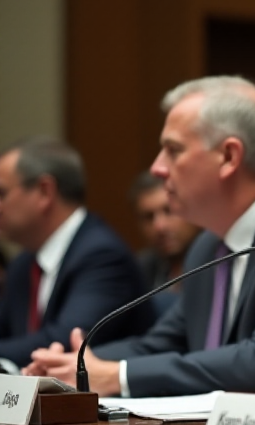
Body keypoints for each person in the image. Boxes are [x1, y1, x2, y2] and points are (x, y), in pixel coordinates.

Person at [23, 76, 255, 397]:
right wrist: (75, 365)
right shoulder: (209, 245)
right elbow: (162, 344)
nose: (157, 168)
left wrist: (117, 376)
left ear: (229, 156)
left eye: (174, 150)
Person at [0, 138, 153, 368]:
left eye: (2, 193)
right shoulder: (24, 263)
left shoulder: (103, 255)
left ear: (44, 192)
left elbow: (66, 342)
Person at [129, 171, 201, 315]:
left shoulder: (219, 263)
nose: (159, 226)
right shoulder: (140, 270)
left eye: (169, 211)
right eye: (148, 217)